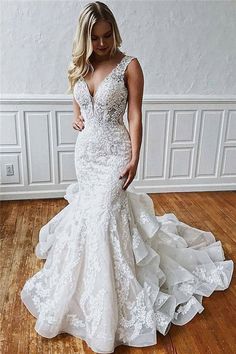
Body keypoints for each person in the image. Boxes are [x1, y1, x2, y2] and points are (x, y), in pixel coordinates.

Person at [20, 2, 234, 354]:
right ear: (85, 37)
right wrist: (77, 115)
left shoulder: (129, 66)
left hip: (116, 153)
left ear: (114, 32)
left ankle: (117, 299)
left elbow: (135, 115)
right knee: (91, 219)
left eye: (107, 35)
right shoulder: (79, 65)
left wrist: (136, 157)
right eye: (95, 37)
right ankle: (83, 289)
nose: (102, 43)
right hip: (86, 155)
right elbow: (77, 98)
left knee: (105, 217)